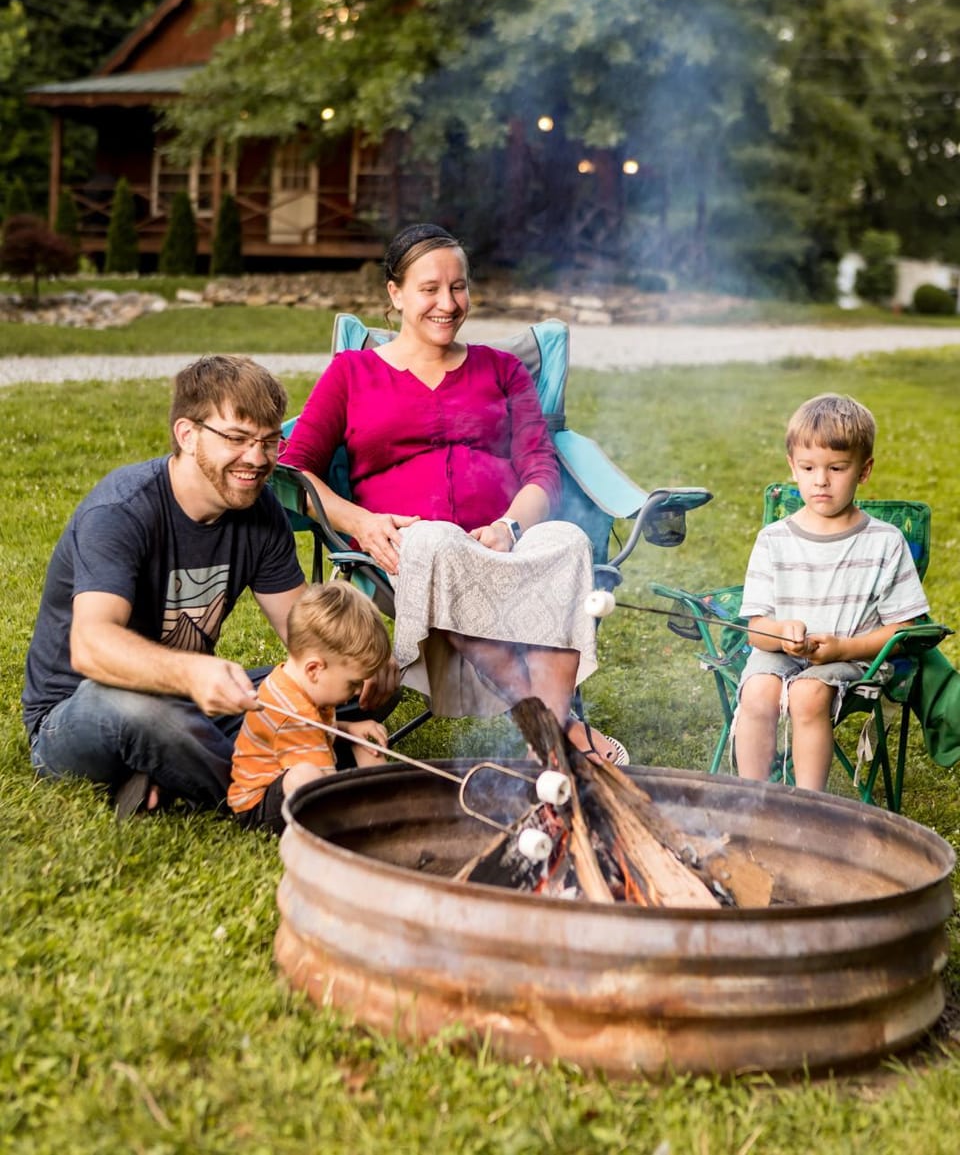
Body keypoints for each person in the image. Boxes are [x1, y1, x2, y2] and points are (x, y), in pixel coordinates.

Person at [280, 222, 628, 765]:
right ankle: (560, 731)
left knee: (564, 537)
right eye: (429, 289)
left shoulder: (504, 369)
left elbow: (542, 470)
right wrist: (360, 522)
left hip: (505, 545)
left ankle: (549, 739)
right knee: (438, 539)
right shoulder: (353, 373)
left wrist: (511, 527)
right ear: (394, 295)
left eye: (458, 287)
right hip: (415, 549)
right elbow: (294, 472)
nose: (448, 303)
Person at [21, 353, 396, 818]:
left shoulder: (260, 512)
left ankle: (172, 769)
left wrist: (347, 700)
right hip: (81, 712)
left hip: (188, 702)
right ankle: (266, 800)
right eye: (237, 439)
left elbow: (305, 640)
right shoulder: (121, 511)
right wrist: (194, 674)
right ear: (187, 433)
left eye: (268, 441)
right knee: (148, 716)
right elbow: (91, 647)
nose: (257, 460)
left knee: (356, 679)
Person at [734, 393, 928, 792]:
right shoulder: (773, 540)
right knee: (757, 691)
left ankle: (811, 807)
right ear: (793, 467)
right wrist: (781, 632)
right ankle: (749, 801)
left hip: (852, 661)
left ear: (864, 470)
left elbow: (901, 630)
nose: (820, 480)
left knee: (807, 693)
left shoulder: (884, 542)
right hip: (780, 654)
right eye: (808, 467)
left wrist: (841, 648)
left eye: (837, 468)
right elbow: (756, 631)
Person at [228, 582, 392, 833]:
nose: (358, 691)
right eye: (353, 683)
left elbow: (321, 729)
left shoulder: (302, 685)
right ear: (315, 669)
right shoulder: (293, 715)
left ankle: (386, 808)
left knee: (364, 742)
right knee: (306, 776)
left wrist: (349, 728)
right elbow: (323, 784)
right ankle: (356, 825)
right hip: (259, 806)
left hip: (303, 757)